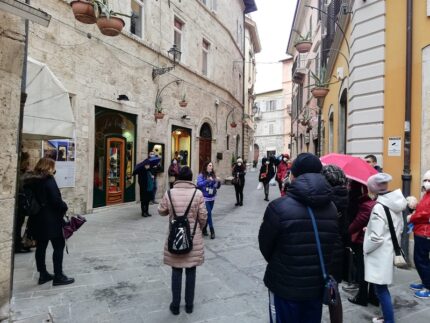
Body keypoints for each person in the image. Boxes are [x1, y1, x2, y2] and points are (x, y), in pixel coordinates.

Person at [258, 153, 343, 323]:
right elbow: (333, 246)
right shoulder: (332, 208)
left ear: (294, 174)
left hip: (284, 286)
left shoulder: (278, 207)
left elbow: (265, 246)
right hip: (316, 287)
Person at [158, 166, 207, 315]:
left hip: (175, 238)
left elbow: (161, 211)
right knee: (191, 270)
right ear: (191, 178)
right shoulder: (198, 194)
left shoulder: (169, 193)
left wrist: (171, 211)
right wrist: (198, 228)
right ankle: (189, 305)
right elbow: (203, 217)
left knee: (176, 270)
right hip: (192, 238)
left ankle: (175, 305)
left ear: (178, 177)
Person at [363, 173, 407, 323]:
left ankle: (389, 320)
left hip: (379, 255)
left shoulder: (378, 207)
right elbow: (395, 228)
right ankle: (385, 317)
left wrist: (365, 248)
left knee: (381, 290)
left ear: (373, 189)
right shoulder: (395, 202)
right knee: (381, 288)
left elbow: (376, 237)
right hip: (388, 252)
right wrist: (368, 229)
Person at [24, 157, 74, 286]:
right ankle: (58, 276)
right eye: (53, 166)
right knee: (58, 246)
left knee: (41, 247)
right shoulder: (48, 180)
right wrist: (64, 207)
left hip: (36, 219)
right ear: (49, 167)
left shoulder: (30, 180)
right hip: (51, 220)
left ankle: (43, 274)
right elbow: (56, 200)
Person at [347, 182, 379, 307]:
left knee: (363, 270)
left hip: (363, 241)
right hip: (372, 241)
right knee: (370, 270)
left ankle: (362, 297)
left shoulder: (367, 205)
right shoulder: (378, 203)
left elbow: (357, 223)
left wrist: (347, 231)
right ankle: (372, 296)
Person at [407, 170, 430, 299]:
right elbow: (422, 210)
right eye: (425, 180)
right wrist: (415, 205)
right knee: (422, 259)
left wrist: (411, 217)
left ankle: (428, 287)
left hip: (425, 232)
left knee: (421, 260)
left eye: (429, 181)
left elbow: (425, 214)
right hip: (421, 230)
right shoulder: (427, 194)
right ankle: (425, 282)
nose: (426, 183)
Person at [196, 161, 221, 239]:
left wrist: (218, 182)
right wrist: (207, 181)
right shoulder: (201, 175)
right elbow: (199, 184)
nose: (211, 167)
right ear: (206, 166)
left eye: (212, 166)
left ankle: (203, 229)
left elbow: (216, 186)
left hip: (212, 197)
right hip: (204, 197)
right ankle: (212, 230)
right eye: (210, 165)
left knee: (207, 214)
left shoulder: (213, 175)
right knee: (209, 213)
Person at [15, 152, 32, 253]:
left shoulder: (23, 172)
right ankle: (17, 245)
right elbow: (20, 185)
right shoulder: (20, 174)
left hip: (22, 203)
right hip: (20, 203)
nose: (28, 164)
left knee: (19, 224)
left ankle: (18, 243)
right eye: (27, 162)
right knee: (17, 225)